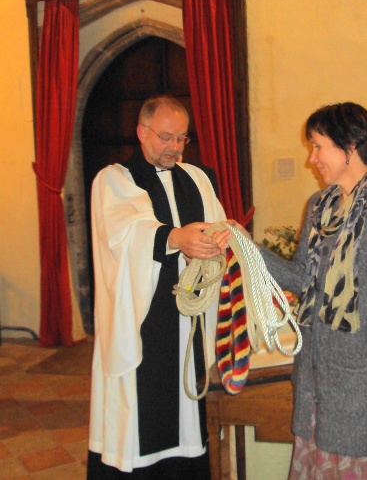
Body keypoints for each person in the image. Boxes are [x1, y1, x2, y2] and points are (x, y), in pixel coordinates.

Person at [249, 102, 367, 478]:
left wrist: (359, 332)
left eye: (318, 146)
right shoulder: (318, 207)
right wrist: (246, 248)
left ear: (349, 148)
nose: (312, 158)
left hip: (360, 386)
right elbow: (299, 277)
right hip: (314, 380)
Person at [87, 95, 230, 479]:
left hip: (190, 322)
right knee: (142, 411)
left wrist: (222, 240)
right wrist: (176, 238)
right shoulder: (114, 180)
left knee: (189, 414)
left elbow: (220, 226)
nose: (175, 147)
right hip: (144, 320)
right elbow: (129, 231)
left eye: (182, 138)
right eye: (166, 137)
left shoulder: (198, 177)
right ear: (141, 132)